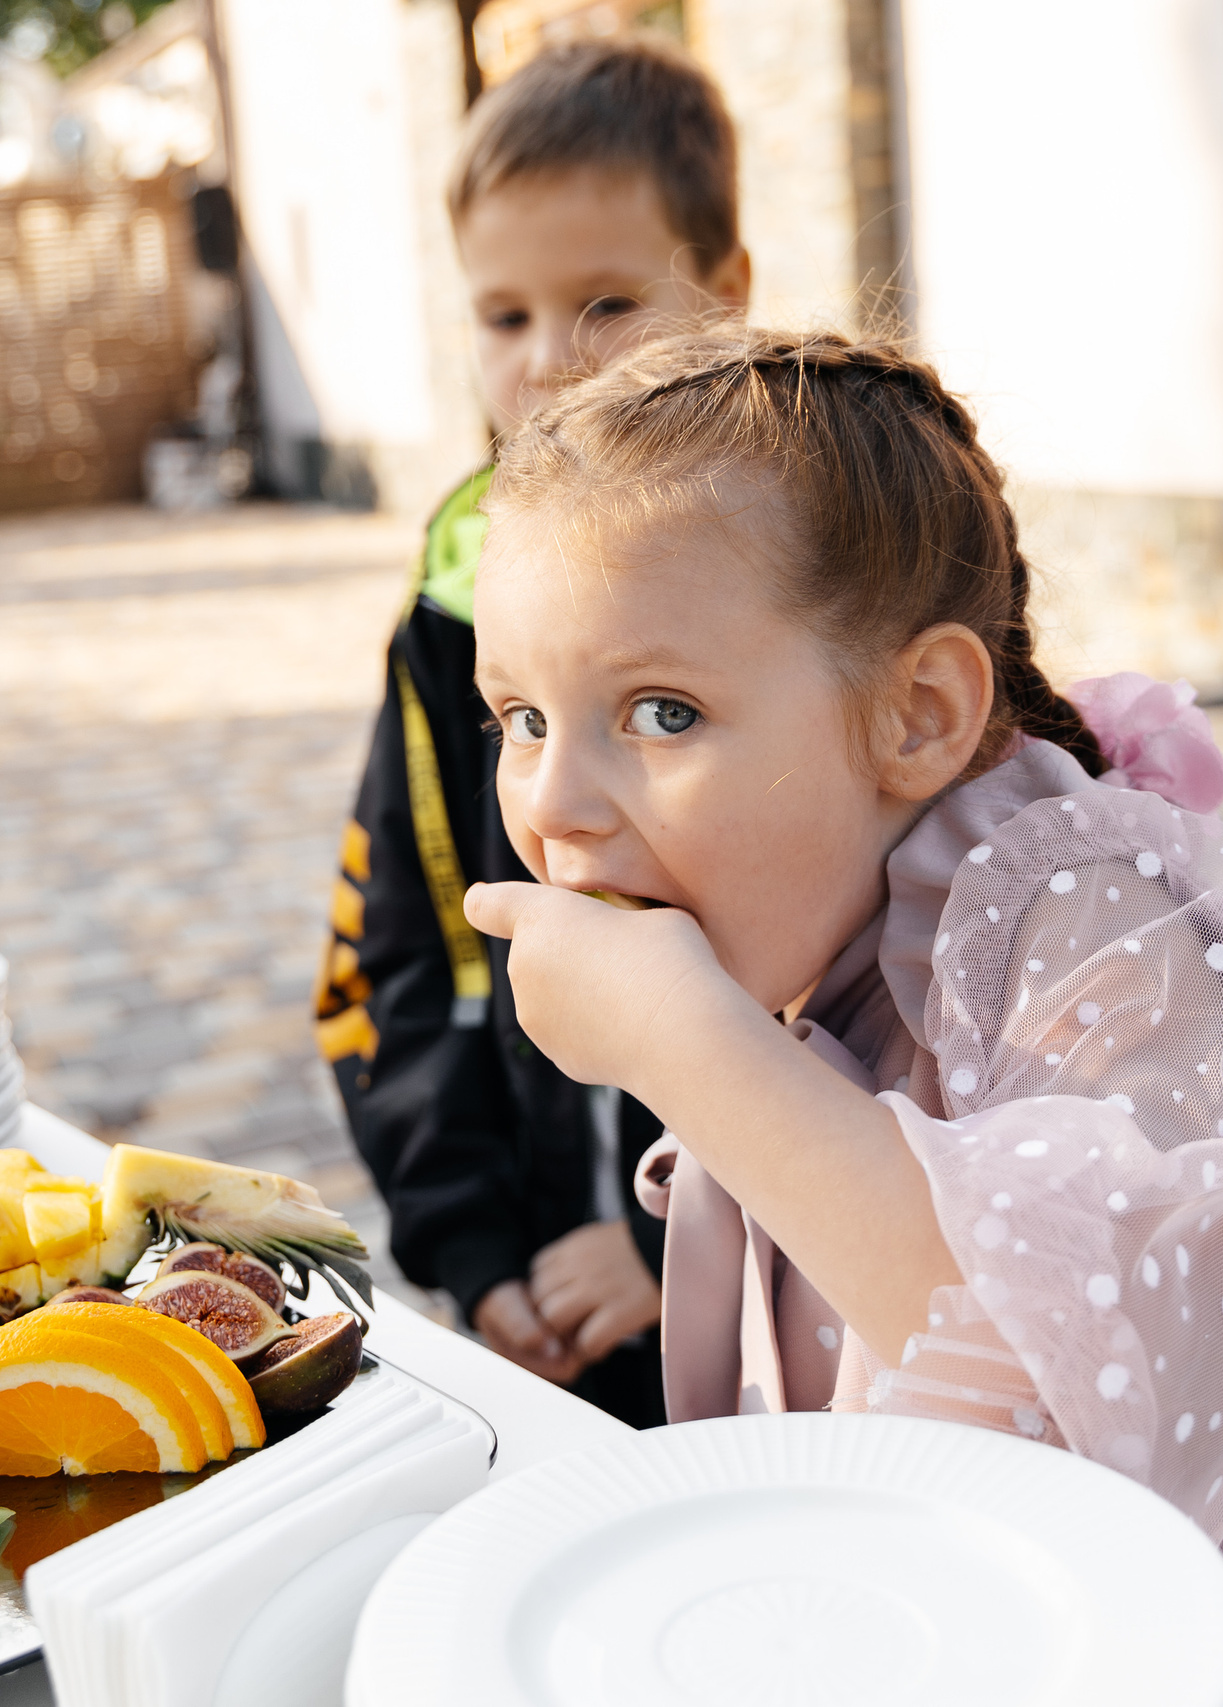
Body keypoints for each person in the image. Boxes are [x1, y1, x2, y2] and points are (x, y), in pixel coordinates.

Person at [464, 324, 1223, 1700]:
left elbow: (1062, 1369)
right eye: (521, 719)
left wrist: (691, 1050)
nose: (551, 804)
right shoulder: (807, 916)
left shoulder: (1097, 909)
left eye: (661, 713)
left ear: (918, 715)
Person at [315, 35, 749, 1425]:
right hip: (549, 1307)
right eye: (504, 317)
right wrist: (475, 1250)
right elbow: (400, 946)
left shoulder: (796, 594)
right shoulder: (452, 613)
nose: (551, 363)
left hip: (771, 1301)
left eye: (607, 302)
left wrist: (687, 1228)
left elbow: (865, 981)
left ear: (726, 297)